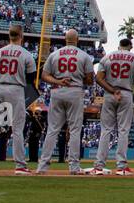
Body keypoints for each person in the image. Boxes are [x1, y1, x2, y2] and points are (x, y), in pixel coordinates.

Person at [0, 24, 37, 175]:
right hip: (16, 88)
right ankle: (20, 165)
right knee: (17, 129)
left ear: (9, 35)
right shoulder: (25, 54)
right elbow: (31, 79)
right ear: (21, 36)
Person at [37, 29, 94, 175]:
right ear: (77, 39)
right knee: (75, 130)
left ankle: (42, 166)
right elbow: (89, 80)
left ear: (65, 38)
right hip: (75, 91)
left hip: (57, 90)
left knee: (52, 130)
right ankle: (74, 167)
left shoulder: (55, 54)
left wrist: (58, 80)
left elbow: (44, 75)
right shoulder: (84, 56)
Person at [93, 38, 134, 175]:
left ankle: (99, 166)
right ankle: (121, 166)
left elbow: (98, 78)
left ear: (119, 45)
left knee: (106, 130)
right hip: (126, 93)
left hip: (110, 94)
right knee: (123, 130)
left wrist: (111, 90)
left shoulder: (107, 57)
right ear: (130, 46)